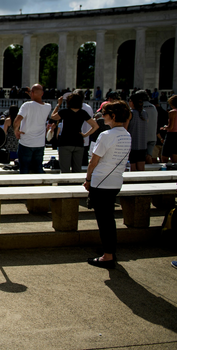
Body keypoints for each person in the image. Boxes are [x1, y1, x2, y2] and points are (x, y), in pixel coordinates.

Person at [83, 101, 132, 269]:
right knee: (109, 219)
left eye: (104, 114)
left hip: (101, 181)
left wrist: (88, 179)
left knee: (104, 221)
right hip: (115, 181)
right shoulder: (126, 134)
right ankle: (109, 250)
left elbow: (93, 162)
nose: (102, 117)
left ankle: (108, 255)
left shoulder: (106, 135)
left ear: (113, 116)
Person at [49, 93, 98, 173]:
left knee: (65, 169)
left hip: (65, 142)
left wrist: (58, 104)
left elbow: (53, 116)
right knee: (77, 169)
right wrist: (85, 135)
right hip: (78, 142)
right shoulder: (83, 113)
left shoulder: (64, 112)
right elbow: (95, 126)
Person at [14, 84, 52, 174]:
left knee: (24, 168)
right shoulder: (48, 107)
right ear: (42, 93)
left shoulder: (26, 105)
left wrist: (16, 131)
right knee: (38, 168)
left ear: (32, 93)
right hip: (39, 143)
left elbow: (17, 121)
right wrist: (31, 93)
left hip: (26, 142)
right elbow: (36, 103)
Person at [126, 92, 148, 171]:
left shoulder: (130, 113)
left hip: (132, 143)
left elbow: (125, 128)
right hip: (142, 144)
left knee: (132, 166)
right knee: (141, 166)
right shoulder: (144, 113)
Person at [142, 93, 159, 165]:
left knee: (141, 158)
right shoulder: (153, 107)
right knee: (149, 156)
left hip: (143, 136)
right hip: (152, 135)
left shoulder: (141, 108)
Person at [161, 95, 177, 164]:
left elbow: (170, 127)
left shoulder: (172, 112)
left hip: (171, 134)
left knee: (164, 156)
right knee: (175, 155)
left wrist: (164, 127)